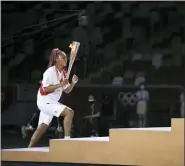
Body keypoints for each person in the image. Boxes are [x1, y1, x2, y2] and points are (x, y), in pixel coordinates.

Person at [28, 48, 78, 148]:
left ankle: (28, 149)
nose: (65, 59)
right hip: (45, 101)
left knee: (42, 127)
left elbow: (67, 90)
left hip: (52, 102)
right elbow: (45, 89)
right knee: (69, 112)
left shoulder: (63, 73)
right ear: (56, 59)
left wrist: (73, 83)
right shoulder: (49, 72)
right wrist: (60, 84)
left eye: (65, 57)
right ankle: (67, 141)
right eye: (62, 57)